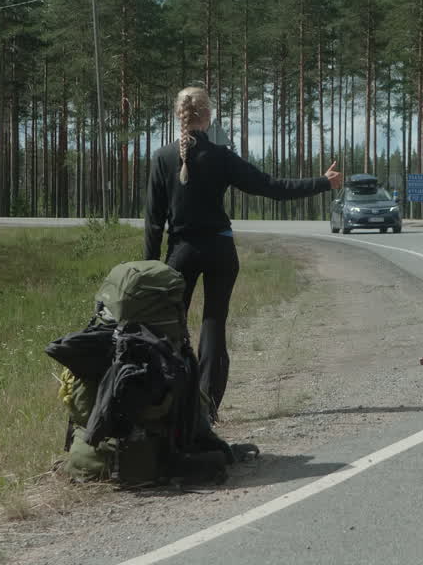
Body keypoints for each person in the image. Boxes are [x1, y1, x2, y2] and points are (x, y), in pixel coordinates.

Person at [144, 86, 343, 419]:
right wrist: (323, 182)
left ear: (178, 115)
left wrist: (149, 270)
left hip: (181, 253)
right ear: (207, 115)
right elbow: (273, 188)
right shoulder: (221, 157)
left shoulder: (162, 158)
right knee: (213, 324)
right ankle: (207, 408)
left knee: (169, 330)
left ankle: (173, 406)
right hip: (220, 251)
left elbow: (153, 222)